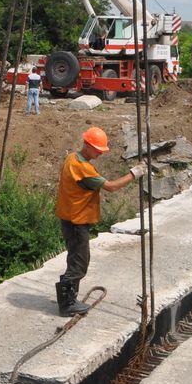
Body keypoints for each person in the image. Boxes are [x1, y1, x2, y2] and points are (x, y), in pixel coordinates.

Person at [54, 127, 145, 316]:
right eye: (97, 150)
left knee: (75, 258)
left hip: (70, 218)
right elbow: (110, 187)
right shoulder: (82, 167)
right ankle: (66, 304)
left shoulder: (72, 158)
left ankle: (70, 299)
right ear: (87, 145)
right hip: (76, 221)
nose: (99, 154)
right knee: (79, 262)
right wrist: (133, 174)